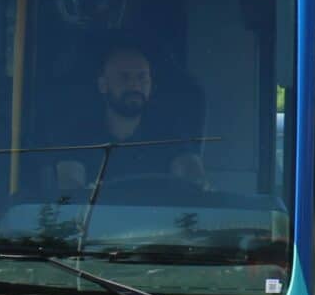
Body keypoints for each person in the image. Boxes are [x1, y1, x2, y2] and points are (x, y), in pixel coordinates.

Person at [52, 43, 204, 194]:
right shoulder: (77, 135)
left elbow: (193, 181)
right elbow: (71, 191)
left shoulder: (171, 134)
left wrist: (198, 183)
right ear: (103, 85)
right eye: (124, 77)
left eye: (142, 77)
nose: (134, 85)